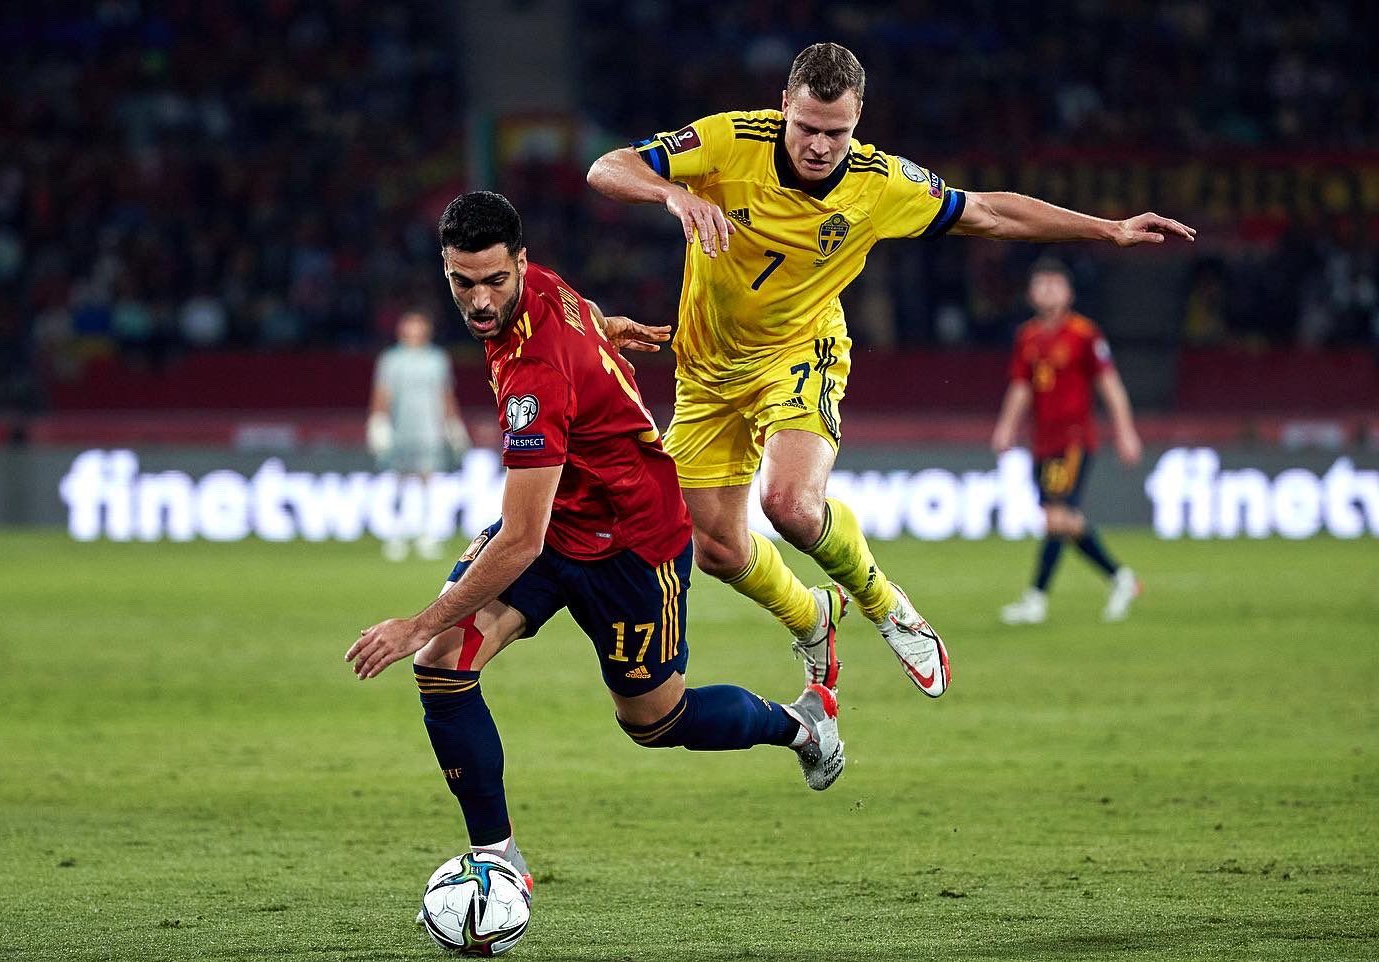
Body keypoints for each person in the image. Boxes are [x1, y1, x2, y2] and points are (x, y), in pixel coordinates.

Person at [586, 42, 1194, 696]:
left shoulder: (880, 184)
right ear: (784, 105)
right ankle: (810, 616)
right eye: (808, 127)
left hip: (799, 353)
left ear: (859, 120)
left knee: (788, 503)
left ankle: (884, 605)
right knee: (718, 552)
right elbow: (606, 167)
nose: (820, 146)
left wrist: (1110, 231)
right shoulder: (727, 139)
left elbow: (988, 212)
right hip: (705, 371)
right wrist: (672, 196)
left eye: (837, 132)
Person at [345, 191, 844, 892]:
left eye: (494, 280)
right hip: (558, 525)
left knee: (653, 721)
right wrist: (603, 331)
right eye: (464, 282)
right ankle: (498, 859)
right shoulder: (543, 288)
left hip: (633, 547)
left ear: (519, 262)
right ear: (446, 268)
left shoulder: (534, 376)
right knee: (442, 665)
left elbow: (518, 540)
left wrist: (416, 621)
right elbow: (534, 520)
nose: (480, 301)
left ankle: (802, 725)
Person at [991, 259, 1143, 624]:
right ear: (1030, 293)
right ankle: (1121, 578)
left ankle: (1036, 598)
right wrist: (1006, 426)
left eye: (1054, 285)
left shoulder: (1084, 334)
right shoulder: (1027, 336)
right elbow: (1021, 386)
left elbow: (1110, 385)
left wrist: (1125, 431)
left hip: (1074, 439)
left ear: (1069, 293)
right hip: (1041, 441)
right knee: (1061, 519)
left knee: (1056, 517)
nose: (1047, 291)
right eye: (1041, 285)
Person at [367, 309, 470, 561]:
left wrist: (454, 424)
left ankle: (427, 534)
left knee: (429, 483)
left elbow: (445, 394)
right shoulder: (391, 360)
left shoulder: (436, 359)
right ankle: (396, 534)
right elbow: (382, 393)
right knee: (399, 482)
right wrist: (378, 422)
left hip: (430, 431)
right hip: (401, 429)